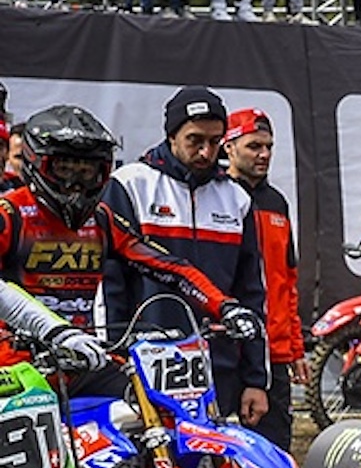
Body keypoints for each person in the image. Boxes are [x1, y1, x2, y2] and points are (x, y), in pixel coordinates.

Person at [0, 104, 248, 352]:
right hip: (15, 359)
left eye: (86, 171)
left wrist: (225, 306)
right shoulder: (10, 213)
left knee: (139, 388)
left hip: (83, 353)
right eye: (64, 169)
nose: (74, 184)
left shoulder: (101, 219)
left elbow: (169, 267)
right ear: (37, 162)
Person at [100, 87, 270, 421]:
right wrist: (113, 364)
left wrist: (255, 380)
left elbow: (251, 294)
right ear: (171, 134)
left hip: (217, 369)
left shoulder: (237, 198)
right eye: (195, 140)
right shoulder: (130, 184)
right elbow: (109, 286)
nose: (206, 151)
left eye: (215, 140)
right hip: (143, 365)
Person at [221, 109, 304, 453]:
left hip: (275, 353)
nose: (264, 154)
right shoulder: (218, 196)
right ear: (228, 147)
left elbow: (288, 281)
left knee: (275, 453)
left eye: (269, 146)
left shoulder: (277, 202)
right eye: (254, 146)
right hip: (226, 349)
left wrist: (296, 348)